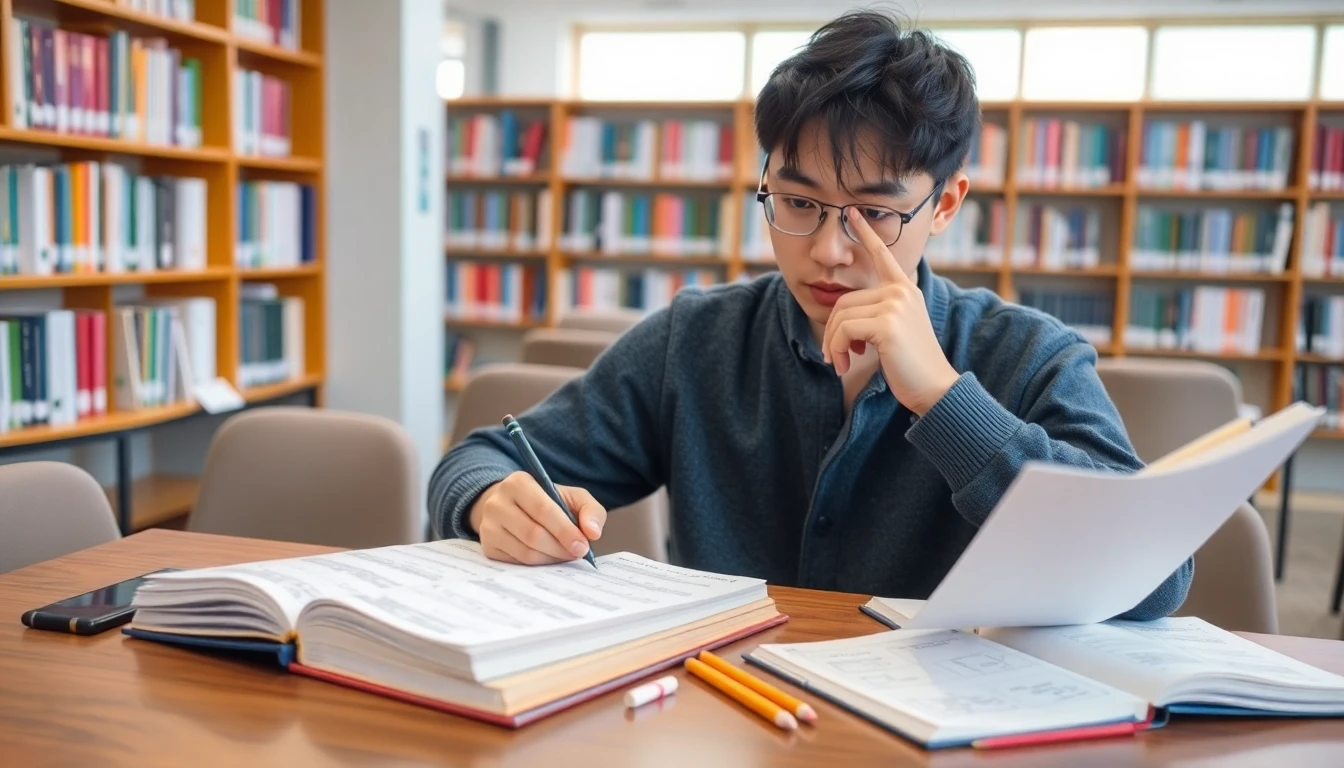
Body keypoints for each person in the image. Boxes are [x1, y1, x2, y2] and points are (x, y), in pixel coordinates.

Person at [429, 9, 1191, 619]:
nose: (827, 250)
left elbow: (1154, 581)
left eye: (871, 214)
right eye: (797, 203)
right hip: (731, 719)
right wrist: (493, 501)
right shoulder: (696, 343)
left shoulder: (1029, 356)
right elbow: (473, 461)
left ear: (946, 203)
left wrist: (946, 401)